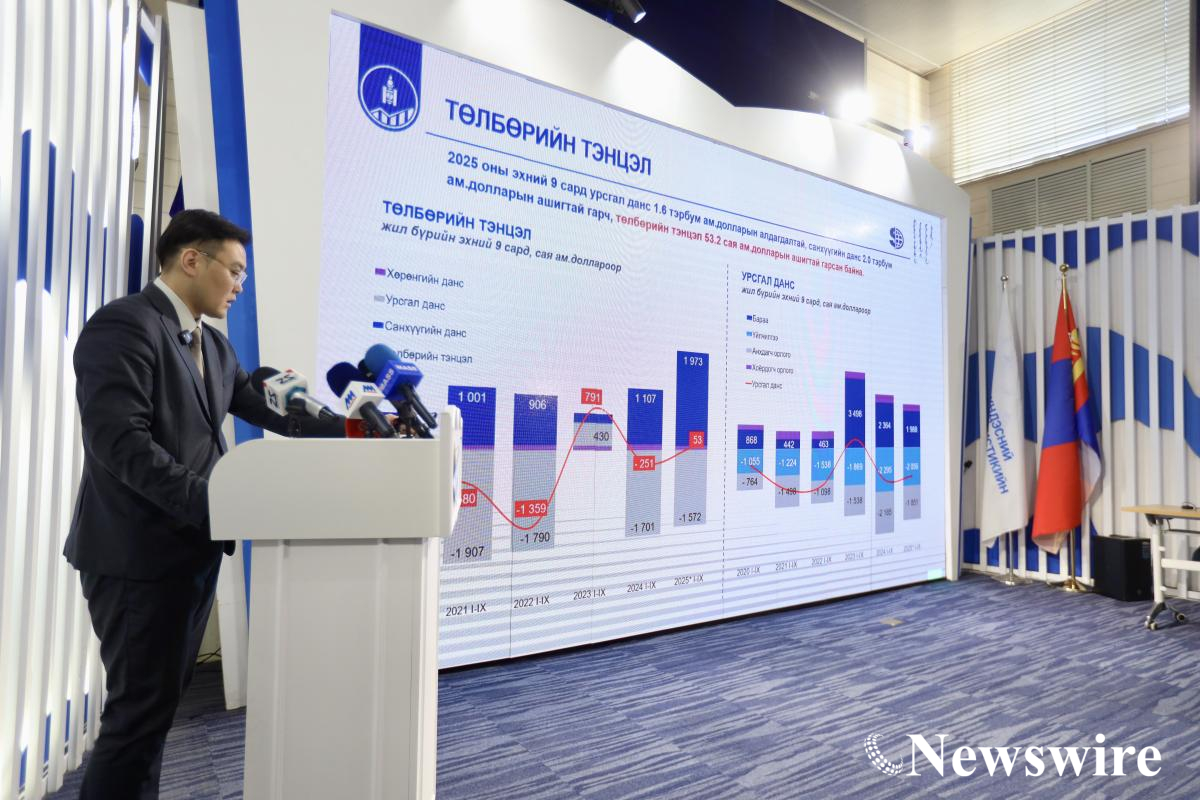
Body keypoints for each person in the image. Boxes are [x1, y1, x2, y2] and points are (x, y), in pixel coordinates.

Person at [63, 209, 344, 798]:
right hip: (136, 556)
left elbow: (270, 410)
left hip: (191, 552)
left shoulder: (213, 346)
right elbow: (121, 445)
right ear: (192, 259)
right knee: (137, 716)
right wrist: (219, 504)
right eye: (235, 270)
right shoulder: (123, 326)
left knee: (155, 710)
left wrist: (358, 428)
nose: (240, 285)